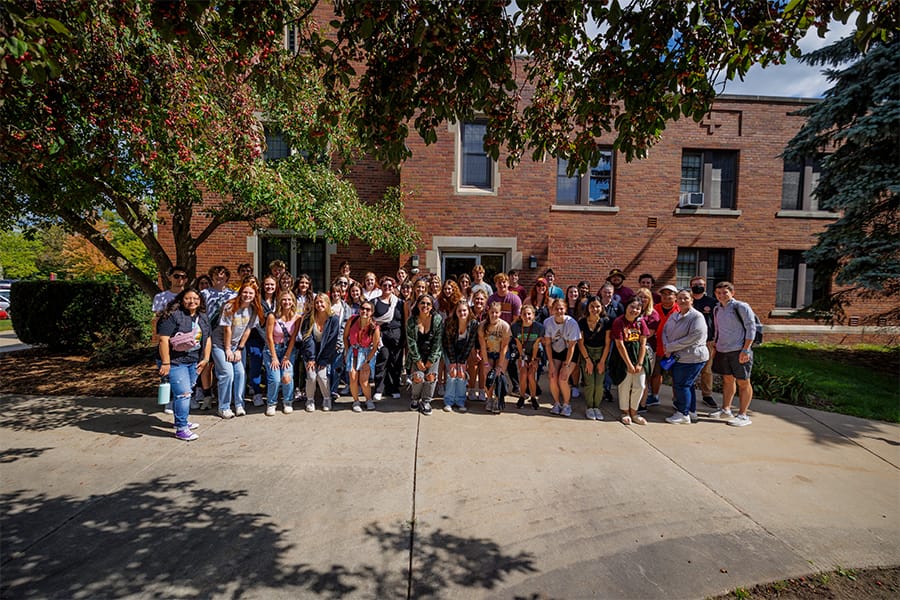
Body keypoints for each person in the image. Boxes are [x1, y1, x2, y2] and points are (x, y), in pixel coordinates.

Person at [157, 288, 212, 441]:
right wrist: (166, 362)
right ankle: (181, 428)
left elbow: (207, 339)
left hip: (194, 360)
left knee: (186, 392)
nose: (192, 301)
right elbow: (163, 340)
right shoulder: (173, 316)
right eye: (188, 298)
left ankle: (180, 421)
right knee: (184, 394)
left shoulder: (203, 317)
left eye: (195, 298)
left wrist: (206, 359)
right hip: (175, 361)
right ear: (182, 300)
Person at [211, 280, 263, 418]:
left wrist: (239, 349)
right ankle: (224, 407)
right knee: (227, 373)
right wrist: (228, 349)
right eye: (245, 292)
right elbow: (227, 329)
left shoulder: (253, 310)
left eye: (251, 293)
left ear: (255, 295)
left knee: (240, 373)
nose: (247, 295)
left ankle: (239, 404)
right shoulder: (230, 306)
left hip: (236, 345)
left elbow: (247, 331)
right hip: (220, 344)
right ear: (240, 293)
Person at [709, 281, 757, 427]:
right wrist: (716, 345)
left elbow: (751, 328)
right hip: (723, 349)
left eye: (725, 292)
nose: (722, 295)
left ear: (732, 293)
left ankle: (743, 415)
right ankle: (726, 409)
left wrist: (746, 349)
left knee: (743, 381)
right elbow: (717, 329)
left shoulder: (741, 307)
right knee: (728, 380)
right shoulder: (717, 309)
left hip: (739, 349)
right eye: (718, 293)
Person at [662, 289, 710, 424]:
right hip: (677, 356)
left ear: (691, 300)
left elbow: (694, 337)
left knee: (682, 385)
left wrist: (671, 347)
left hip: (692, 357)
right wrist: (667, 346)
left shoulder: (697, 317)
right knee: (687, 385)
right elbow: (665, 331)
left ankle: (683, 414)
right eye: (680, 298)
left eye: (686, 298)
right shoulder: (674, 315)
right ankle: (691, 411)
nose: (682, 301)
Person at [197, 266, 237, 409]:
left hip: (224, 334)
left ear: (226, 277)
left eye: (222, 275)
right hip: (207, 333)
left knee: (223, 367)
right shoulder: (204, 293)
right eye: (216, 275)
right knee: (206, 365)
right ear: (212, 277)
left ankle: (223, 397)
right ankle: (207, 396)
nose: (219, 278)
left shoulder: (233, 295)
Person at [152, 265, 188, 414]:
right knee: (166, 370)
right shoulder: (161, 297)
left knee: (184, 370)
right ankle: (169, 401)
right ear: (170, 277)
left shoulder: (188, 295)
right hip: (167, 338)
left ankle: (183, 398)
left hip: (185, 339)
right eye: (176, 276)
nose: (180, 279)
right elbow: (156, 319)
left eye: (183, 277)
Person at [609, 298, 651, 425]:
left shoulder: (641, 322)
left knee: (640, 385)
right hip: (623, 357)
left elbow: (643, 343)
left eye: (638, 308)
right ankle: (625, 412)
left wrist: (639, 363)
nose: (635, 310)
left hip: (638, 356)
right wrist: (628, 364)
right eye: (632, 307)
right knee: (624, 385)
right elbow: (620, 345)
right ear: (626, 307)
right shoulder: (619, 322)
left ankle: (634, 412)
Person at [299, 292, 340, 412]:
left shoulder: (334, 319)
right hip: (310, 350)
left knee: (322, 376)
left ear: (327, 303)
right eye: (317, 302)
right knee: (311, 376)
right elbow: (307, 338)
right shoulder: (308, 318)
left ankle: (327, 398)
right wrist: (311, 358)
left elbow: (332, 341)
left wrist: (323, 359)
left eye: (322, 302)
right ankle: (310, 399)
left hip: (326, 351)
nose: (319, 304)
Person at [264, 290, 302, 416]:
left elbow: (293, 338)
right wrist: (274, 357)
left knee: (286, 376)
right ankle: (271, 403)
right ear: (280, 301)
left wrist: (287, 356)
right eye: (284, 299)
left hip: (288, 349)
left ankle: (288, 401)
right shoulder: (272, 316)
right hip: (272, 349)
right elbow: (268, 337)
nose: (287, 302)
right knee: (275, 378)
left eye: (289, 300)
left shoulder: (297, 318)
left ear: (293, 302)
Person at [542, 298, 581, 417]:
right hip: (555, 351)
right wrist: (551, 365)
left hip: (570, 351)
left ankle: (566, 404)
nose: (559, 311)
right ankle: (557, 403)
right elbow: (548, 345)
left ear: (566, 309)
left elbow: (572, 347)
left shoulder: (571, 323)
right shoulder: (548, 322)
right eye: (556, 308)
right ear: (552, 310)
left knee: (563, 378)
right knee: (553, 376)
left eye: (561, 308)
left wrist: (566, 365)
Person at [406, 293, 443, 415]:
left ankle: (426, 401)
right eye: (422, 303)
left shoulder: (437, 320)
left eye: (428, 304)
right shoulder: (411, 321)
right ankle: (415, 399)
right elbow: (411, 343)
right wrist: (417, 360)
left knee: (431, 376)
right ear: (417, 305)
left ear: (432, 306)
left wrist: (431, 360)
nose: (425, 306)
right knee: (418, 377)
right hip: (417, 354)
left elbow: (438, 342)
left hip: (432, 354)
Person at [577, 296, 612, 421]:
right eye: (592, 306)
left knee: (599, 384)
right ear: (588, 308)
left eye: (597, 306)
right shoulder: (582, 322)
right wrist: (587, 360)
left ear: (601, 307)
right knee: (590, 383)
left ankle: (596, 407)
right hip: (587, 353)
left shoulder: (606, 322)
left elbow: (608, 343)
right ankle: (589, 407)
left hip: (601, 353)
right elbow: (580, 342)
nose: (595, 309)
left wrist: (602, 361)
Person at [441, 300, 480, 412]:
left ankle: (460, 401)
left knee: (462, 374)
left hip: (464, 351)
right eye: (459, 311)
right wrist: (453, 362)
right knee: (452, 374)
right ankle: (448, 401)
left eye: (464, 310)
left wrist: (462, 362)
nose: (462, 313)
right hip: (450, 350)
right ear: (456, 312)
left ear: (468, 311)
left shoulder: (473, 324)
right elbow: (448, 343)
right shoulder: (450, 322)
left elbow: (470, 343)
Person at [246, 275, 278, 407]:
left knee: (273, 366)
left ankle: (272, 393)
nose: (269, 287)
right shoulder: (257, 300)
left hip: (274, 338)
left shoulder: (279, 300)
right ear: (262, 286)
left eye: (272, 284)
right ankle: (257, 393)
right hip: (256, 337)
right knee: (256, 364)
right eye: (267, 284)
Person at [343, 300, 381, 411]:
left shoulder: (374, 327)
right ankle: (356, 401)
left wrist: (367, 361)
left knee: (364, 381)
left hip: (366, 354)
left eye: (368, 309)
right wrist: (347, 351)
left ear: (372, 312)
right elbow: (345, 337)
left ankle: (368, 399)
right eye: (362, 308)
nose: (364, 311)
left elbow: (375, 347)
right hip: (353, 351)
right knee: (353, 377)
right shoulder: (352, 320)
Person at [372, 276, 405, 401]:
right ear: (380, 286)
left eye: (390, 286)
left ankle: (394, 388)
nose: (387, 288)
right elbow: (371, 320)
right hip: (381, 336)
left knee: (395, 363)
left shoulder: (399, 303)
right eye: (384, 285)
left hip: (397, 336)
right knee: (382, 361)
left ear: (393, 287)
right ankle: (379, 389)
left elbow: (403, 320)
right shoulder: (374, 302)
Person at [646, 284, 678, 408]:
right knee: (655, 374)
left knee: (675, 376)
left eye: (669, 294)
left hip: (674, 349)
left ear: (675, 296)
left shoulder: (679, 309)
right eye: (663, 294)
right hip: (658, 348)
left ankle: (676, 399)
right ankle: (654, 396)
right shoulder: (655, 308)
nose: (666, 297)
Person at [690, 275, 719, 409]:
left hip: (707, 341)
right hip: (688, 341)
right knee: (686, 368)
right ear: (691, 286)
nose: (698, 286)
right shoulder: (687, 300)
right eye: (695, 284)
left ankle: (707, 395)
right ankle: (682, 396)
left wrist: (716, 339)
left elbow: (718, 321)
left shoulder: (712, 302)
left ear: (705, 286)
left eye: (700, 284)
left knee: (706, 369)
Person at [479, 301, 512, 414]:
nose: (494, 315)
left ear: (500, 313)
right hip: (488, 352)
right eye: (492, 312)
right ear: (488, 312)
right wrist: (486, 364)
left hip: (501, 352)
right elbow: (482, 345)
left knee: (499, 375)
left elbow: (504, 347)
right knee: (487, 375)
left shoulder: (505, 326)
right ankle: (489, 398)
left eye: (496, 313)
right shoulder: (483, 325)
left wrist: (499, 365)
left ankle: (498, 399)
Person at [511, 304, 543, 409]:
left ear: (533, 315)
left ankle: (533, 397)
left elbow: (536, 345)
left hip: (535, 354)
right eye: (524, 314)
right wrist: (521, 357)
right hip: (523, 353)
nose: (527, 316)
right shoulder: (515, 327)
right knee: (523, 374)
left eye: (529, 314)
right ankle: (522, 396)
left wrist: (533, 360)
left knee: (531, 375)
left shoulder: (539, 328)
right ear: (520, 315)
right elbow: (518, 343)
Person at [329, 281, 353, 401]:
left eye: (338, 292)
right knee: (327, 370)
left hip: (340, 343)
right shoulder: (327, 306)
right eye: (333, 292)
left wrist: (342, 342)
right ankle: (327, 390)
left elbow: (346, 327)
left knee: (337, 368)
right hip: (327, 343)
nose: (336, 294)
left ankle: (333, 390)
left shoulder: (346, 308)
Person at [466, 289, 489, 401]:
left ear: (485, 300)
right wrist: (473, 350)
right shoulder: (469, 312)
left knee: (483, 367)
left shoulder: (488, 313)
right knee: (473, 365)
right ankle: (470, 390)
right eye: (477, 298)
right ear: (473, 299)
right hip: (470, 344)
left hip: (485, 344)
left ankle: (481, 390)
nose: (479, 301)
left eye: (481, 299)